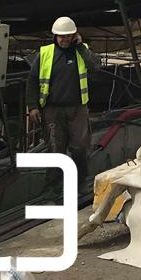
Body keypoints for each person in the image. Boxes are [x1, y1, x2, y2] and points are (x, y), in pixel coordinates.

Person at [27, 16, 99, 184]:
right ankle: (53, 188)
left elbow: (95, 66)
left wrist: (80, 46)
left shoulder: (82, 51)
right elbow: (32, 81)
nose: (65, 39)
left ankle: (80, 182)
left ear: (74, 35)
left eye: (68, 36)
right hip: (52, 110)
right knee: (55, 150)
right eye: (61, 36)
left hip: (77, 109)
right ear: (55, 36)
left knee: (80, 148)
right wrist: (33, 107)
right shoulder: (45, 54)